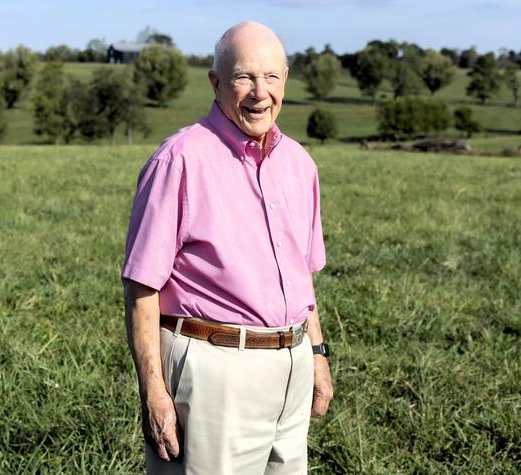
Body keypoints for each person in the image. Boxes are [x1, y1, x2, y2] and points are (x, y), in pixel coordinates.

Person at [122, 20, 333, 474]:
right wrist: (153, 391)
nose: (260, 92)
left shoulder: (299, 163)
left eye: (272, 77)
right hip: (215, 370)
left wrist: (316, 356)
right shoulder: (179, 159)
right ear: (216, 83)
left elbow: (302, 277)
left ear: (285, 81)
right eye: (244, 77)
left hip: (290, 366)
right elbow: (141, 286)